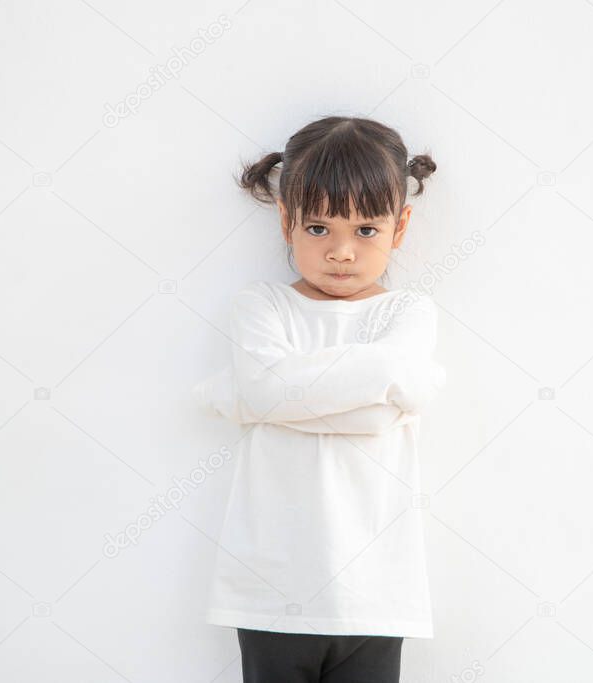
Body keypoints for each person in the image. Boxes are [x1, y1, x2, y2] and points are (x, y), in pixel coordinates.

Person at [192, 115, 445, 683]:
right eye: (318, 229)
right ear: (287, 221)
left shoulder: (406, 313)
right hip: (269, 589)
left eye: (365, 231)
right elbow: (282, 391)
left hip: (378, 592)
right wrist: (264, 394)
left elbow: (267, 393)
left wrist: (259, 399)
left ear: (399, 228)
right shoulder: (262, 307)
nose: (340, 252)